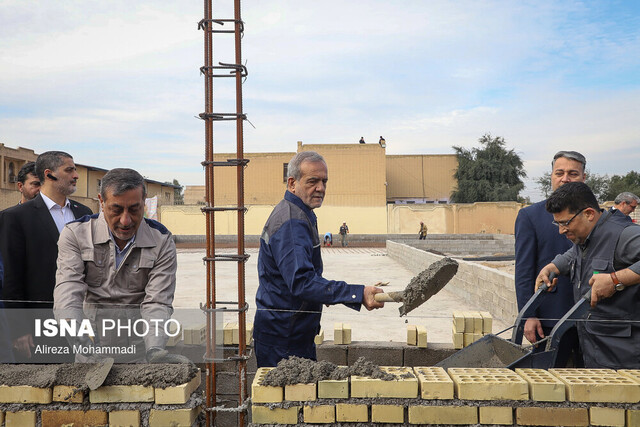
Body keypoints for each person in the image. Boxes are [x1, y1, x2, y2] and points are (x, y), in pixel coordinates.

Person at [253, 151, 384, 367]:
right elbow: (302, 282)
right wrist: (357, 293)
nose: (321, 188)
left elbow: (304, 279)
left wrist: (323, 293)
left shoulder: (297, 212)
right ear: (292, 183)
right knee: (287, 399)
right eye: (313, 181)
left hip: (288, 333)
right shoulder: (292, 222)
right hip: (284, 340)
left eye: (324, 181)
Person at [54, 168, 180, 363]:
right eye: (116, 209)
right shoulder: (76, 234)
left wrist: (155, 347)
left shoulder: (161, 240)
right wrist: (72, 327)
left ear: (144, 202)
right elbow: (68, 287)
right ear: (101, 202)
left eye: (134, 209)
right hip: (91, 351)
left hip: (139, 352)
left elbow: (158, 301)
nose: (125, 220)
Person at [535, 182, 640, 369]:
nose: (561, 230)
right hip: (594, 352)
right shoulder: (586, 237)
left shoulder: (624, 234)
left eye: (565, 223)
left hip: (624, 358)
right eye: (557, 223)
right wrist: (551, 267)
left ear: (589, 214)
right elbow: (575, 256)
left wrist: (615, 280)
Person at [0, 151, 92, 360]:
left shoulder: (84, 214)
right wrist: (19, 330)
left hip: (82, 322)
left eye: (75, 169)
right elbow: (12, 278)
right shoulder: (15, 218)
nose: (76, 175)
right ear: (49, 174)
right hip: (39, 325)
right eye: (69, 170)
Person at [514, 150, 585, 366]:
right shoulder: (531, 216)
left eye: (573, 173)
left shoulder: (594, 215)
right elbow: (524, 272)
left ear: (583, 178)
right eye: (559, 173)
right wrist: (528, 315)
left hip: (590, 320)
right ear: (551, 177)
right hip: (548, 320)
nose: (565, 179)